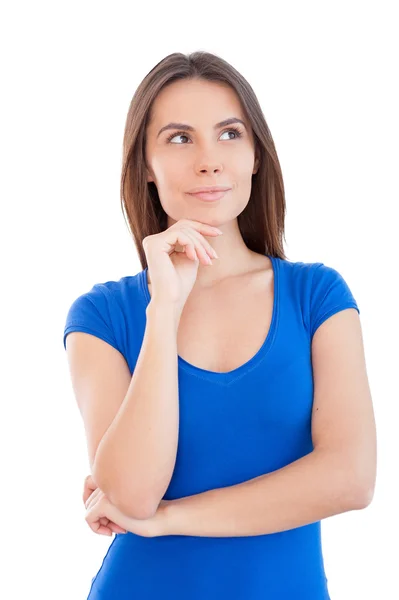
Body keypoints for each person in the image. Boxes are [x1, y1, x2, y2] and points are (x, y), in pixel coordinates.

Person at [63, 51, 376, 599]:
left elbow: (351, 478)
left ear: (256, 155)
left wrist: (172, 518)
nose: (209, 160)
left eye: (229, 134)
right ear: (145, 165)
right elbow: (132, 496)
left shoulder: (317, 296)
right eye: (180, 139)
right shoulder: (103, 316)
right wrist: (164, 310)